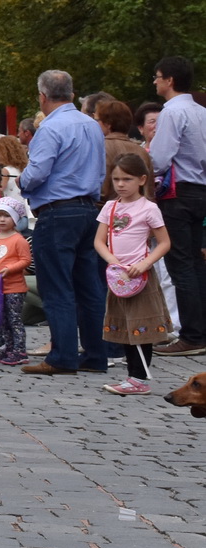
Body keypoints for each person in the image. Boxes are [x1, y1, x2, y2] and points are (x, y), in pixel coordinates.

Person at [19, 69, 110, 375]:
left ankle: (62, 356)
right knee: (89, 286)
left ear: (42, 97)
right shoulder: (92, 126)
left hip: (57, 211)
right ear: (71, 94)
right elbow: (100, 169)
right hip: (89, 209)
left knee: (56, 285)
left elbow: (38, 172)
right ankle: (97, 354)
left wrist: (23, 180)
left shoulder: (50, 128)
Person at [95, 152, 172, 395]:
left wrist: (145, 263)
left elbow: (164, 243)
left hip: (140, 278)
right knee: (126, 326)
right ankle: (132, 377)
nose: (120, 184)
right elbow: (99, 241)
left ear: (141, 179)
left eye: (126, 179)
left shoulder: (149, 209)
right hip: (118, 277)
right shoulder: (110, 207)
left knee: (140, 326)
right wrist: (112, 261)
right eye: (116, 179)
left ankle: (139, 379)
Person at [148, 56, 206, 357]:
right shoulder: (201, 110)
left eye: (157, 77)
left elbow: (158, 158)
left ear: (170, 80)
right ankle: (200, 331)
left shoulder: (172, 112)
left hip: (177, 193)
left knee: (181, 264)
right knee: (196, 264)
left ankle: (192, 335)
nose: (155, 81)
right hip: (200, 190)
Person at [0, 197, 32, 367]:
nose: (2, 219)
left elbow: (26, 260)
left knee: (14, 319)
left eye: (6, 216)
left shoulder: (19, 240)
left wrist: (10, 269)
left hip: (14, 288)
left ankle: (20, 350)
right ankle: (9, 348)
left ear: (15, 219)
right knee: (3, 320)